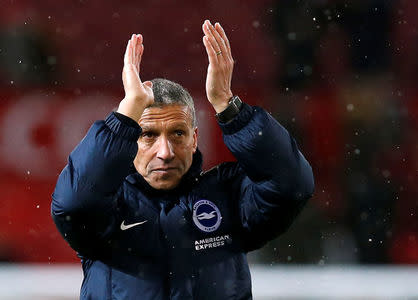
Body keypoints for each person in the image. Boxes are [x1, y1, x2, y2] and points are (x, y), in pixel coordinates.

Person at [52, 20, 314, 300]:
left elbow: (291, 185)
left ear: (195, 138)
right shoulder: (109, 207)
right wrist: (125, 115)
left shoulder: (229, 196)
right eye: (148, 135)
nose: (165, 152)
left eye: (177, 133)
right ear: (131, 141)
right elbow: (72, 205)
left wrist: (228, 107)